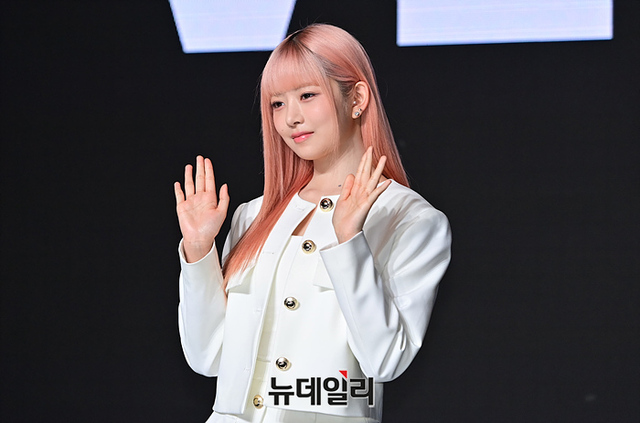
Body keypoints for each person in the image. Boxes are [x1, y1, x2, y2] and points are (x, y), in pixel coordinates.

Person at [174, 24, 451, 423]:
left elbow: (385, 361)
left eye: (307, 95)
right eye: (277, 103)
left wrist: (348, 242)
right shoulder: (252, 216)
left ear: (357, 98)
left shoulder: (410, 220)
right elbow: (207, 357)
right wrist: (200, 252)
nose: (291, 118)